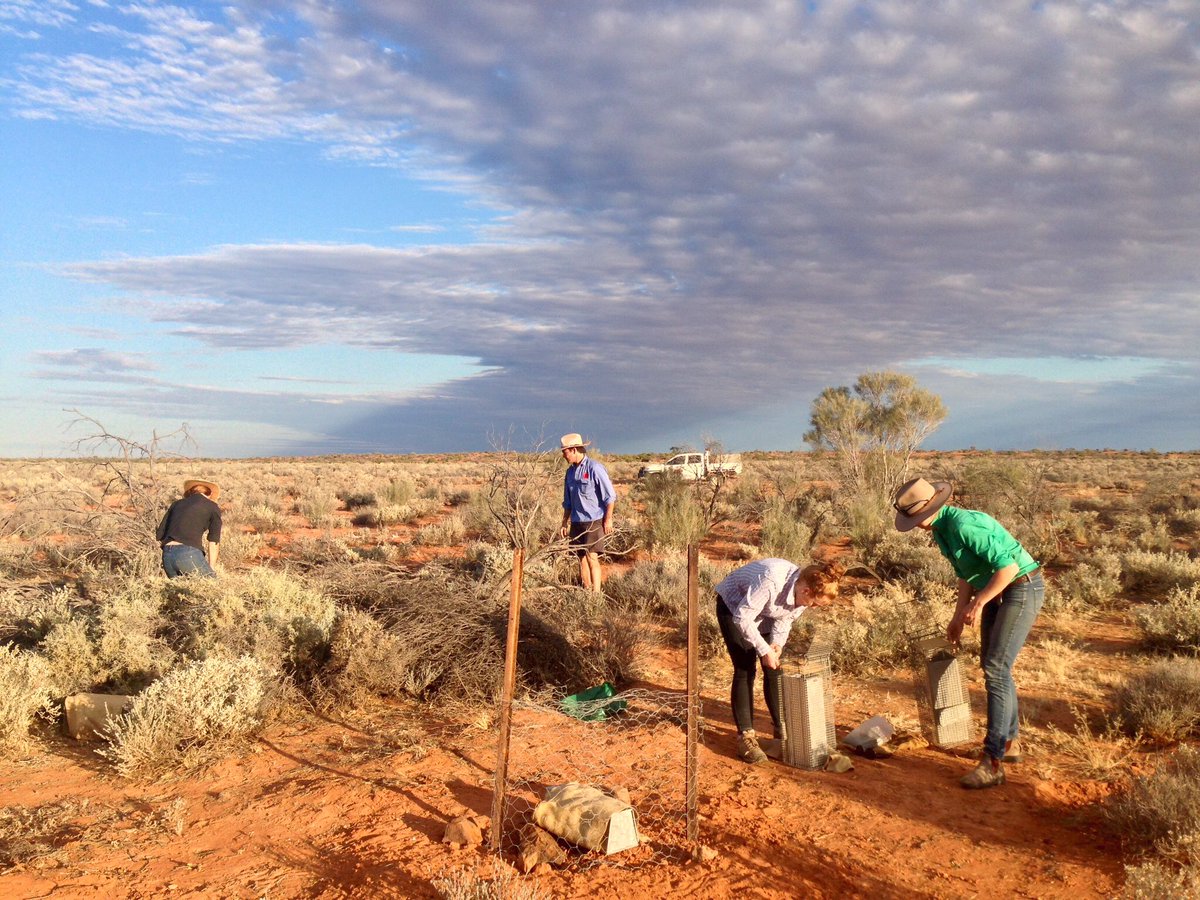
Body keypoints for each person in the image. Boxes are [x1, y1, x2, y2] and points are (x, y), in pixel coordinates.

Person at [893, 477, 1044, 789]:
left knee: (996, 669)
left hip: (1020, 587)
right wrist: (957, 615)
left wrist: (978, 603)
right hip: (996, 589)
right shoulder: (940, 530)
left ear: (930, 507)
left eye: (916, 517)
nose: (916, 524)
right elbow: (966, 576)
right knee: (995, 668)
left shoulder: (963, 525)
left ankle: (993, 762)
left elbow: (1008, 569)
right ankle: (1009, 744)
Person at [714, 558, 841, 764]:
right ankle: (746, 738)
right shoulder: (771, 581)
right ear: (806, 591)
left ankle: (783, 731)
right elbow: (743, 618)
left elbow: (785, 619)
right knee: (745, 667)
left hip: (766, 611)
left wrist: (776, 645)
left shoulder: (802, 594)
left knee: (775, 668)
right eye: (815, 604)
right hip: (735, 606)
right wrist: (763, 650)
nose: (813, 608)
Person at [559, 432, 616, 593]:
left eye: (565, 452)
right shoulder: (570, 473)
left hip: (593, 521)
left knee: (592, 558)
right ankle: (586, 591)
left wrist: (608, 519)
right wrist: (564, 522)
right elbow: (567, 501)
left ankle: (595, 596)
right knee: (581, 558)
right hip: (576, 521)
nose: (563, 455)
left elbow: (610, 496)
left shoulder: (595, 468)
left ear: (574, 450)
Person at [157, 478, 223, 578]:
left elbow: (160, 534)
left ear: (190, 492)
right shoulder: (212, 506)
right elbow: (214, 541)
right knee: (211, 584)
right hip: (188, 553)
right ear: (209, 494)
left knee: (177, 588)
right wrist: (211, 568)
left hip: (167, 556)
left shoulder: (176, 504)